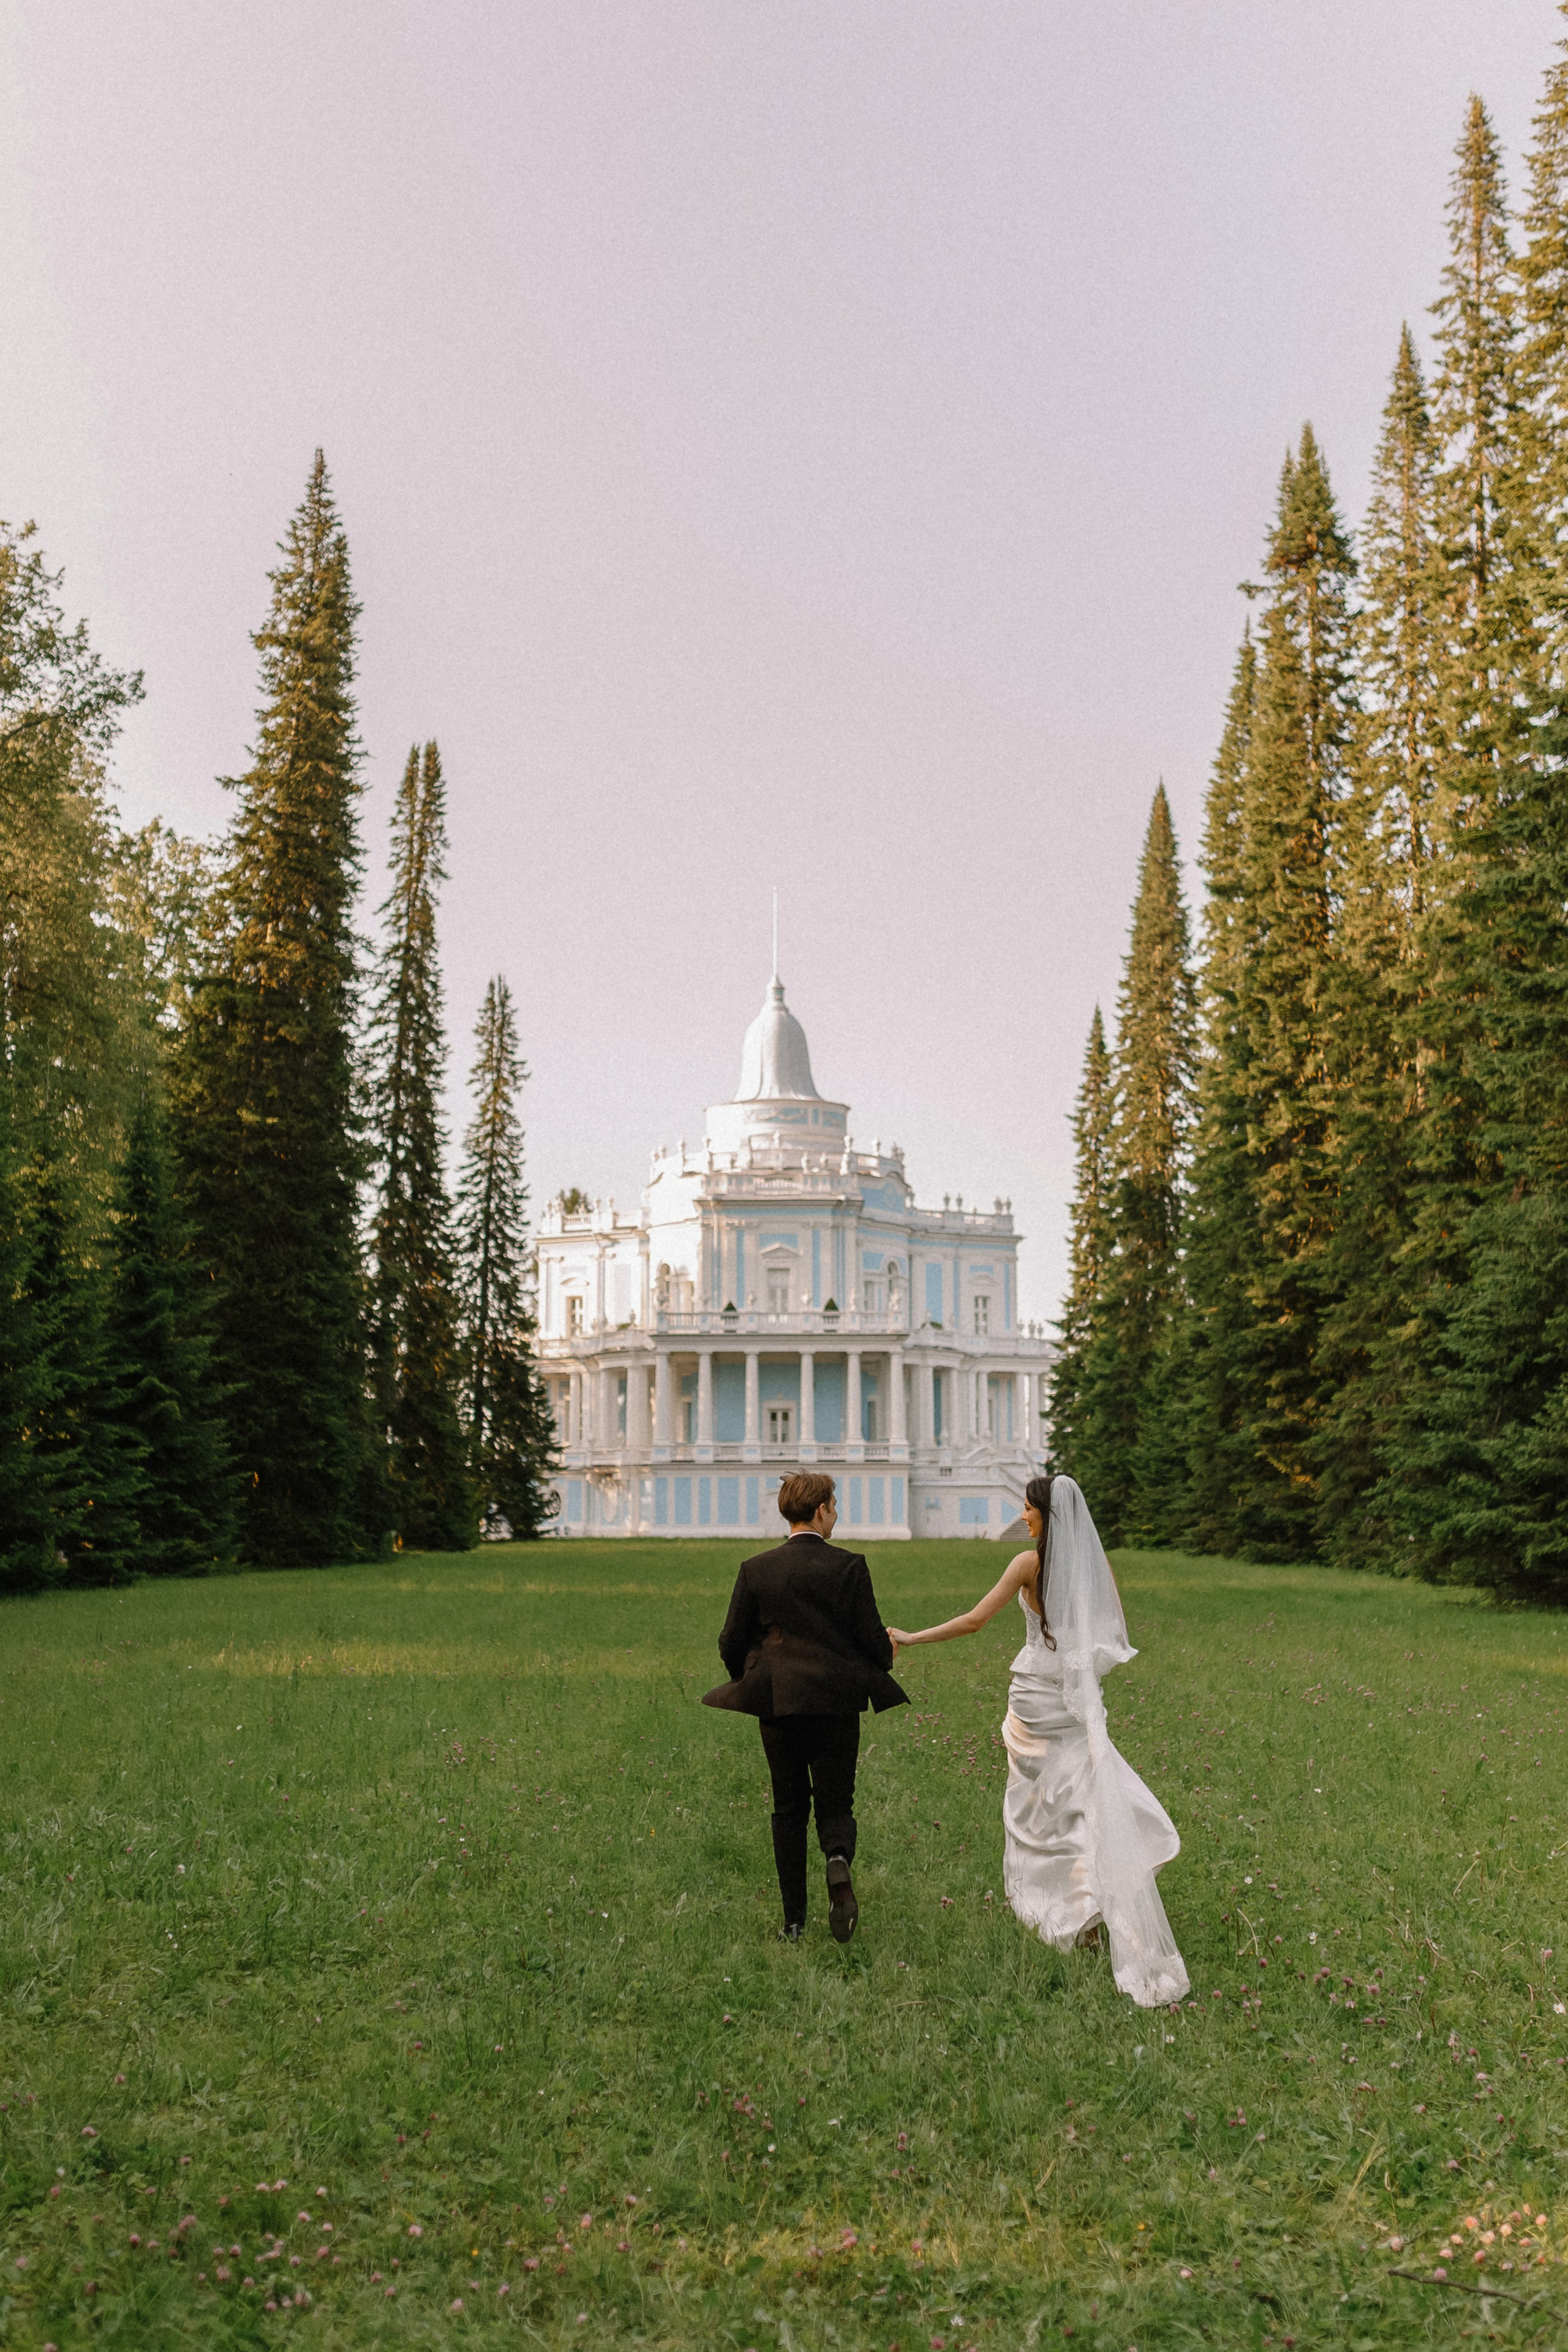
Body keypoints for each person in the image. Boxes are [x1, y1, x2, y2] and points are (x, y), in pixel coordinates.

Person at [888, 1471, 1188, 2008]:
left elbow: (975, 1621)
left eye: (1028, 1509)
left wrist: (912, 1638)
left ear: (1047, 1515)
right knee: (1083, 1800)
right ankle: (1092, 1908)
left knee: (1043, 1809)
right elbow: (1111, 1629)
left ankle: (1072, 1909)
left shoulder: (1027, 1565)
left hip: (1035, 1700)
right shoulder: (1093, 1564)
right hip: (1072, 1702)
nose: (1023, 1515)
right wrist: (1080, 1675)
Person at [703, 1470, 908, 1943]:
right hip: (837, 1703)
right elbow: (873, 1642)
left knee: (789, 1807)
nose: (836, 1515)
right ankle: (837, 1859)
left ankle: (794, 1923)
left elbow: (730, 1640)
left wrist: (752, 1674)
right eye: (834, 1507)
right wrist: (888, 1652)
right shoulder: (850, 1566)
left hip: (780, 1703)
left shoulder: (756, 1569)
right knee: (837, 1801)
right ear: (820, 1510)